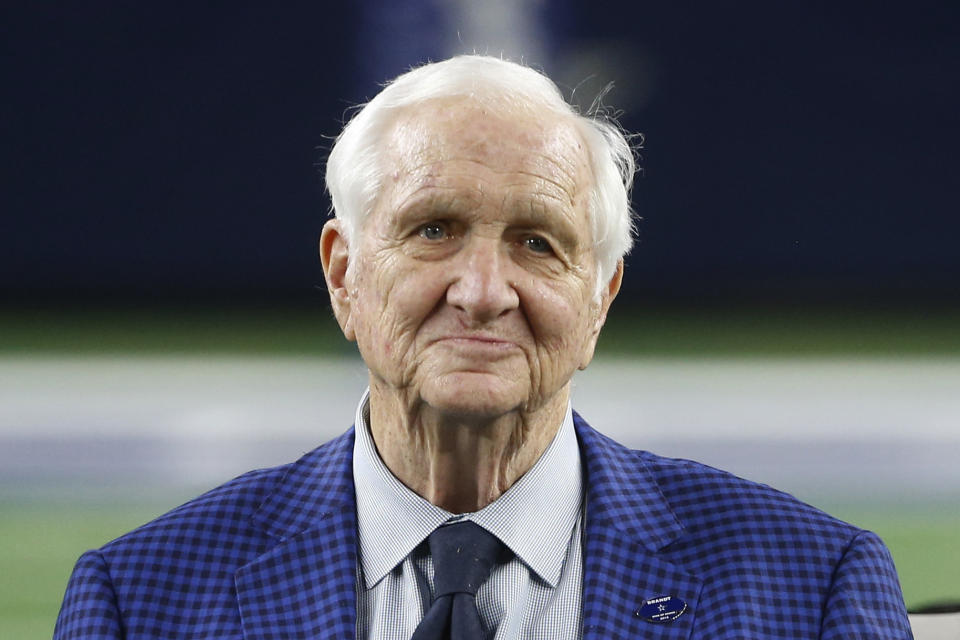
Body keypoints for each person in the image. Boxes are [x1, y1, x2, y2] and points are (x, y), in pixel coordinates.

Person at [54, 55, 912, 639]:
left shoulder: (811, 588)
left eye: (538, 243)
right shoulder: (141, 600)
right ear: (344, 274)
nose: (482, 290)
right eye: (433, 230)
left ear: (600, 298)